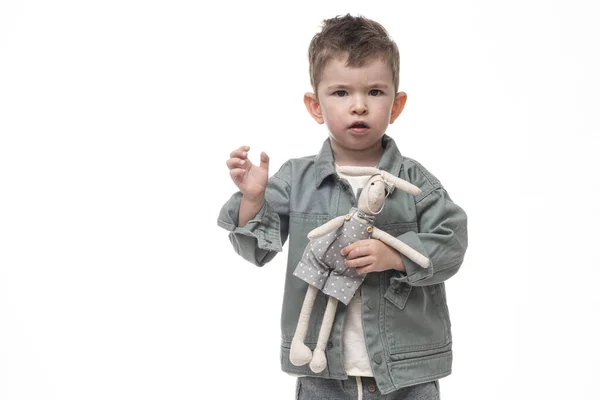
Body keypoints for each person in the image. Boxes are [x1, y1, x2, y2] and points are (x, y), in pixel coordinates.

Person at [217, 14, 468, 400]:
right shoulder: (296, 180)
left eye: (374, 92)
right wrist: (253, 199)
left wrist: (395, 255)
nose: (359, 106)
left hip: (406, 373)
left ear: (396, 105)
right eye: (341, 93)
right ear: (315, 106)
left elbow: (451, 241)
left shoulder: (416, 183)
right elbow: (257, 248)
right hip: (322, 371)